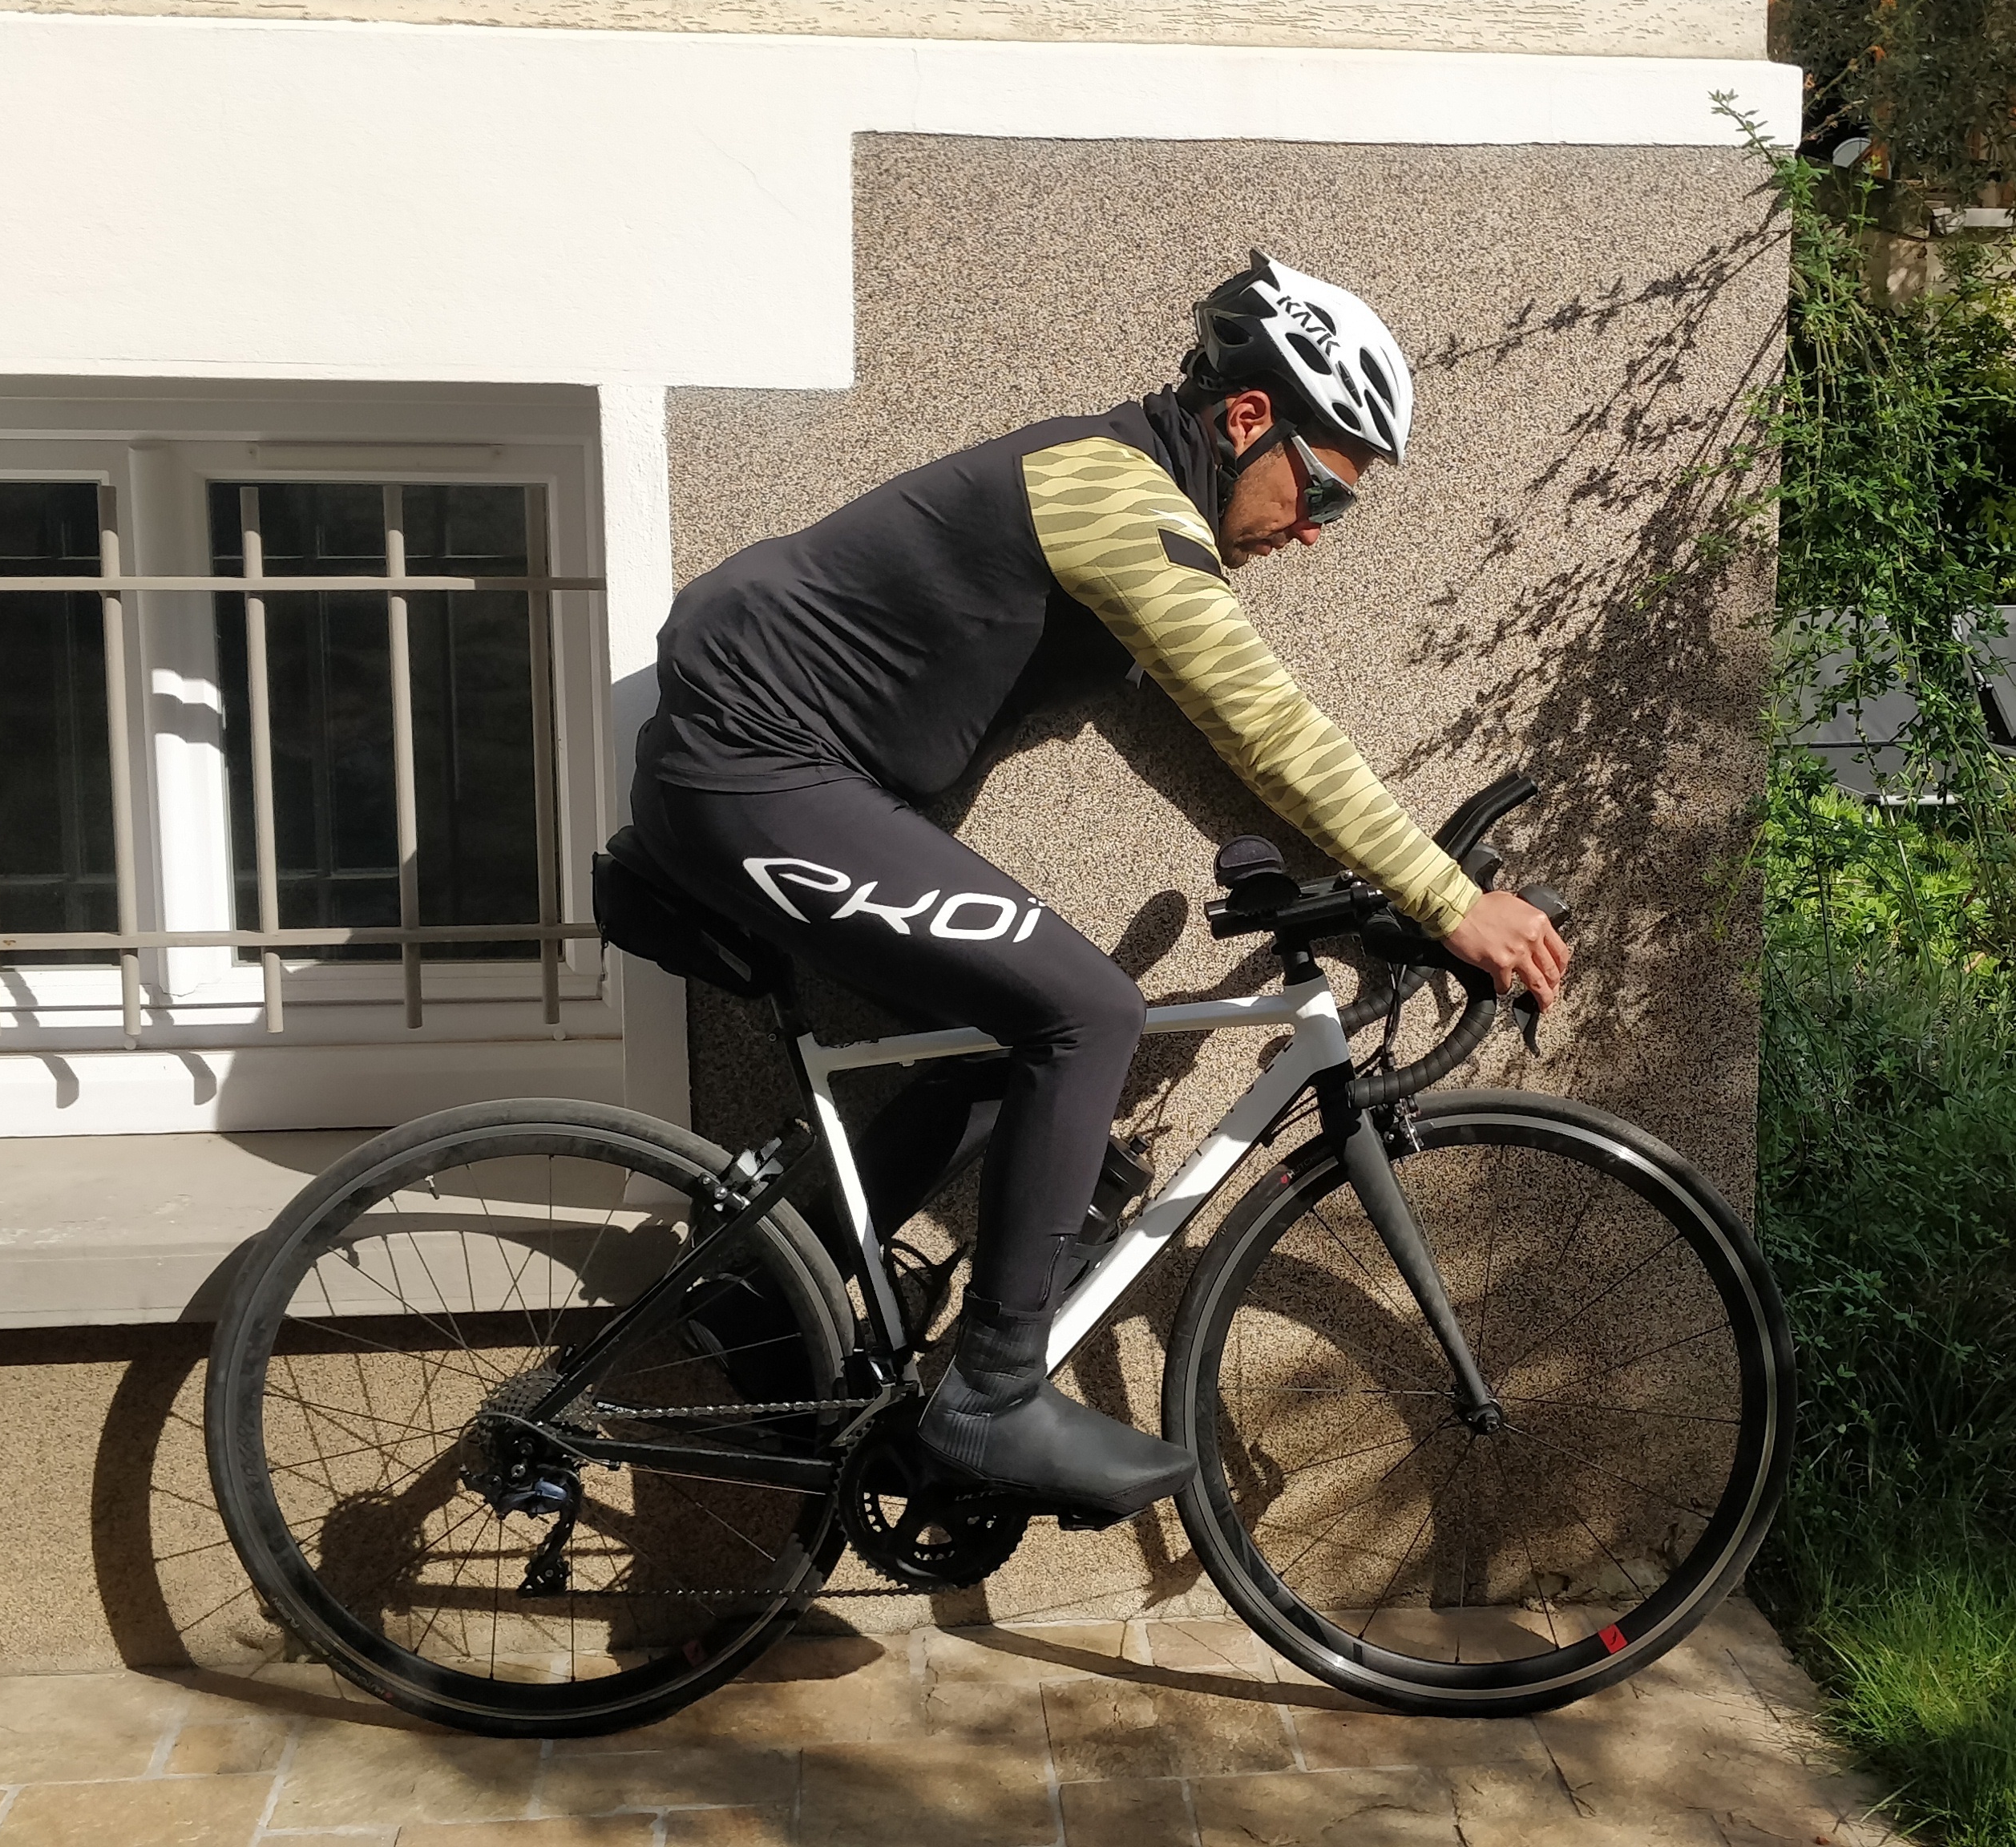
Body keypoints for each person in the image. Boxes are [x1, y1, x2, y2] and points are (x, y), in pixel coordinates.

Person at [628, 250, 1571, 1524]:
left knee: (993, 1042)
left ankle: (758, 1308)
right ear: (1248, 418)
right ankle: (991, 1395)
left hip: (788, 778)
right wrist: (1449, 899)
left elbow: (1229, 720)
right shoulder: (1110, 492)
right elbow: (1267, 726)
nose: (1310, 530)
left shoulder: (1133, 513)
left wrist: (1409, 880)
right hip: (748, 769)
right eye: (1322, 493)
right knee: (1089, 1011)